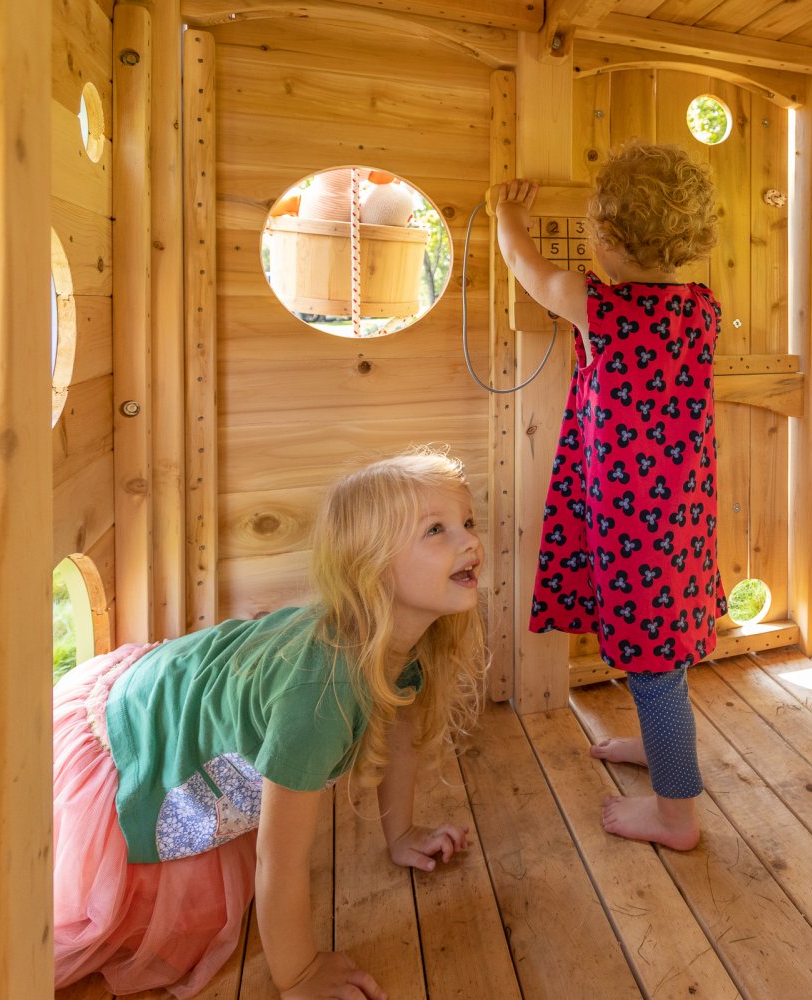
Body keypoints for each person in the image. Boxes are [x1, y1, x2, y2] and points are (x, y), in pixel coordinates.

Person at [52, 450, 488, 999]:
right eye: (436, 530)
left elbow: (398, 735)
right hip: (133, 734)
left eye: (468, 523)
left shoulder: (404, 645)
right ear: (371, 566)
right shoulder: (318, 696)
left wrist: (399, 835)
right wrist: (299, 973)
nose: (470, 541)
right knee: (161, 920)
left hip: (189, 681)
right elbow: (278, 861)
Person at [493, 140, 726, 851]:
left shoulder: (597, 305)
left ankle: (675, 814)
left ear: (606, 240)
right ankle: (664, 753)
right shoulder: (701, 307)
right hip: (677, 515)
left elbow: (525, 270)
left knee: (654, 669)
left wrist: (507, 215)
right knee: (659, 650)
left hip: (635, 519)